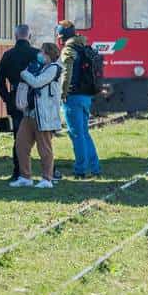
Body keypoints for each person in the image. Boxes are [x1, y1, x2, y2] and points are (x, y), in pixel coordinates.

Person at [11, 42, 63, 188]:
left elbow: (37, 82)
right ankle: (25, 177)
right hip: (29, 113)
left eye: (42, 52)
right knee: (21, 145)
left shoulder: (54, 69)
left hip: (44, 115)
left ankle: (47, 179)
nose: (39, 54)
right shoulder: (40, 67)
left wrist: (24, 73)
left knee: (44, 148)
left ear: (49, 54)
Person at [0, 24, 41, 182]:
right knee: (41, 136)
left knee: (19, 137)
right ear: (29, 36)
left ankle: (19, 172)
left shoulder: (8, 55)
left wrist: (7, 97)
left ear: (15, 36)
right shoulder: (36, 54)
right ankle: (48, 171)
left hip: (16, 98)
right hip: (35, 99)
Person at [58, 20, 101, 179]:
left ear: (62, 37)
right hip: (86, 96)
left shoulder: (68, 50)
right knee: (84, 133)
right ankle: (95, 167)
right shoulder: (83, 46)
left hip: (73, 97)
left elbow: (66, 74)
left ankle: (80, 169)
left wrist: (63, 93)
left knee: (76, 134)